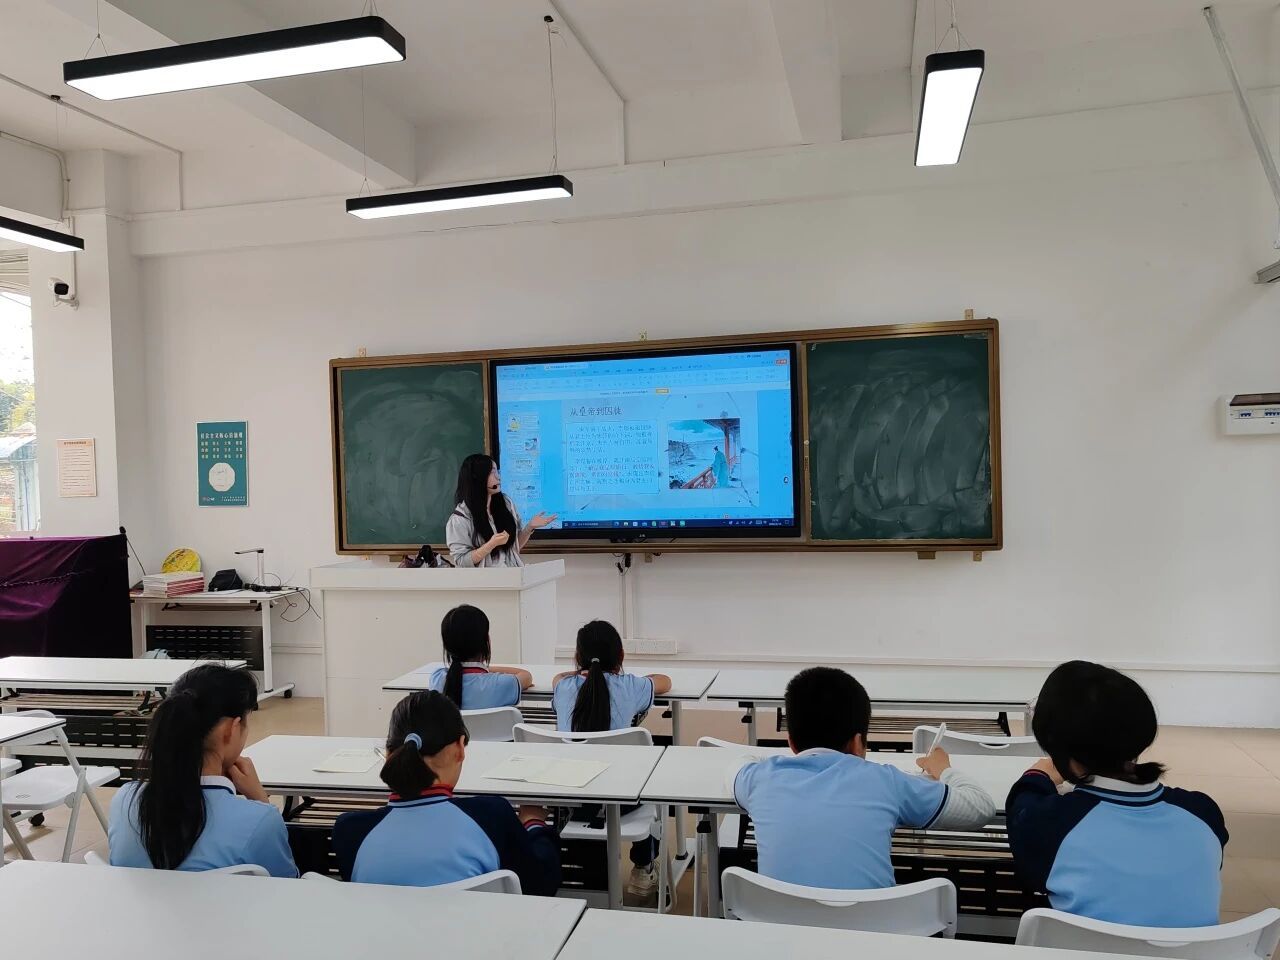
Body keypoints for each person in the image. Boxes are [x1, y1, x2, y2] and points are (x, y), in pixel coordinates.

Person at [732, 666, 995, 890]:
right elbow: (981, 808)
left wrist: (771, 764)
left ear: (791, 742)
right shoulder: (887, 782)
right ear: (858, 743)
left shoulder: (759, 780)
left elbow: (738, 764)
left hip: (779, 931)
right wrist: (944, 769)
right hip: (872, 932)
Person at [1007, 661, 1227, 927]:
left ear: (1058, 748)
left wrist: (1038, 775)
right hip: (1198, 947)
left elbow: (1023, 815)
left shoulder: (1048, 822)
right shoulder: (1204, 813)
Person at [332, 691, 560, 893]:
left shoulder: (349, 831)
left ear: (389, 754)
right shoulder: (492, 815)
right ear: (459, 748)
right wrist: (533, 823)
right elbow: (540, 885)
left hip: (384, 930)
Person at [108, 664, 297, 876]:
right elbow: (287, 885)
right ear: (231, 729)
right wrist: (261, 800)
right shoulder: (260, 820)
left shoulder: (124, 801)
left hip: (136, 900)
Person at [552, 620, 672, 898]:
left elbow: (558, 678)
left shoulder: (564, 688)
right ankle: (643, 866)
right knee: (651, 778)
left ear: (577, 657)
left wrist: (579, 671)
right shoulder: (631, 686)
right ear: (621, 656)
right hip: (622, 799)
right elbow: (665, 681)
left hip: (571, 798)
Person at [446, 453, 556, 568]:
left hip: (512, 575)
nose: (498, 477)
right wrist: (490, 545)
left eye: (497, 472)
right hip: (486, 578)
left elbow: (514, 548)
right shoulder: (460, 518)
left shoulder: (506, 504)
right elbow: (462, 561)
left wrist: (529, 527)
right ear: (478, 477)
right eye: (492, 472)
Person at [428, 604, 532, 709]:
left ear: (447, 646)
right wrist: (486, 669)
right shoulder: (503, 683)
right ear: (486, 642)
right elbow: (526, 676)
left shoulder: (437, 678)